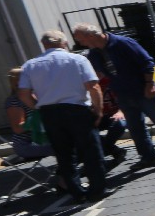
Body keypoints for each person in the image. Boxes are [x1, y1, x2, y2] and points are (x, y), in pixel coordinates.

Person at [71, 23, 155, 167]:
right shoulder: (94, 54)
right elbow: (98, 74)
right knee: (136, 128)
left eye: (81, 40)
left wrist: (149, 84)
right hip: (123, 95)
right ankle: (147, 157)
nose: (81, 44)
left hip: (143, 90)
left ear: (90, 36)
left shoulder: (123, 43)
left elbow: (147, 62)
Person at [17, 31, 108, 202]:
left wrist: (37, 106)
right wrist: (98, 110)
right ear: (64, 43)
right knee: (91, 150)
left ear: (44, 45)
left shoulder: (30, 65)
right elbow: (93, 86)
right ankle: (97, 189)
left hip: (49, 113)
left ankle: (77, 192)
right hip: (77, 110)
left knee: (64, 155)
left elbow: (23, 93)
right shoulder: (78, 59)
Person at [4, 68, 52, 160]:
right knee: (64, 145)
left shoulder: (34, 95)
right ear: (19, 82)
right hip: (26, 144)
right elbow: (17, 129)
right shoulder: (14, 101)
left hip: (42, 139)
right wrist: (35, 121)